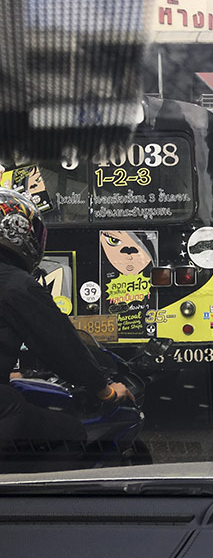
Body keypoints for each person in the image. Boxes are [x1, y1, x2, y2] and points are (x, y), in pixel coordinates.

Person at [0, 189, 133, 444]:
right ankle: (58, 486)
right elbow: (58, 342)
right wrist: (103, 389)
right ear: (16, 230)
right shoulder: (16, 284)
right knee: (69, 433)